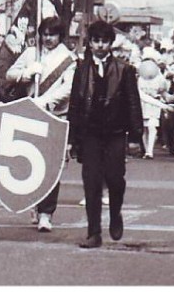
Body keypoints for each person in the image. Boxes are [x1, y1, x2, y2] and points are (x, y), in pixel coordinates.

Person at [67, 20, 143, 249]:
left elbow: (133, 103)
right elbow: (75, 105)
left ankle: (116, 213)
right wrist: (73, 139)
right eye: (95, 41)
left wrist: (136, 137)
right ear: (89, 43)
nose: (100, 45)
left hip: (115, 132)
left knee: (115, 179)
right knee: (91, 182)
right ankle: (93, 232)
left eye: (104, 41)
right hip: (90, 133)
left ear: (111, 43)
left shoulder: (124, 69)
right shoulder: (81, 69)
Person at [6, 16, 76, 233]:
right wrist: (25, 74)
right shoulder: (30, 54)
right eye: (44, 34)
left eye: (52, 35)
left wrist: (45, 101)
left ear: (60, 36)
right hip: (29, 114)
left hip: (55, 114)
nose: (48, 39)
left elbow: (68, 89)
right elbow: (9, 74)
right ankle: (35, 203)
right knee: (29, 162)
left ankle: (47, 213)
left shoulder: (69, 59)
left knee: (50, 166)